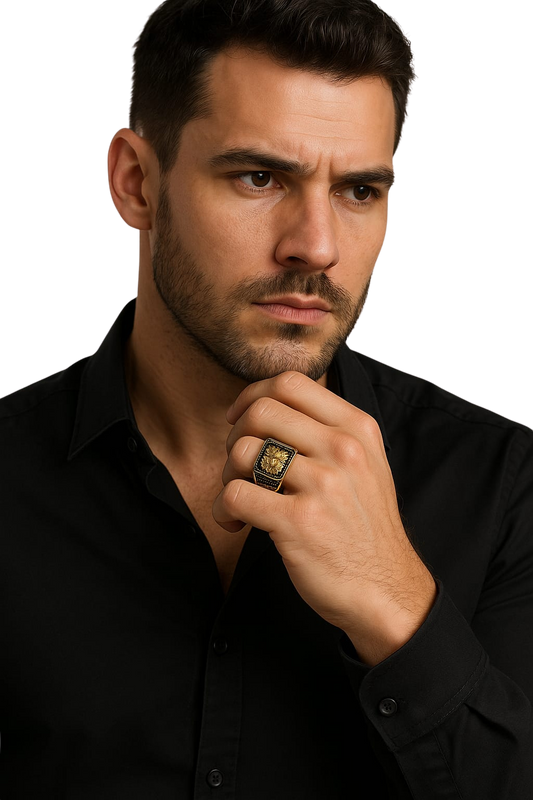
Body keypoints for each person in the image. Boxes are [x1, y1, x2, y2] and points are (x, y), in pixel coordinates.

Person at [1, 0, 531, 796]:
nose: (315, 245)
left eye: (358, 191)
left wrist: (396, 606)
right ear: (135, 182)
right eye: (259, 177)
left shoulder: (502, 483)